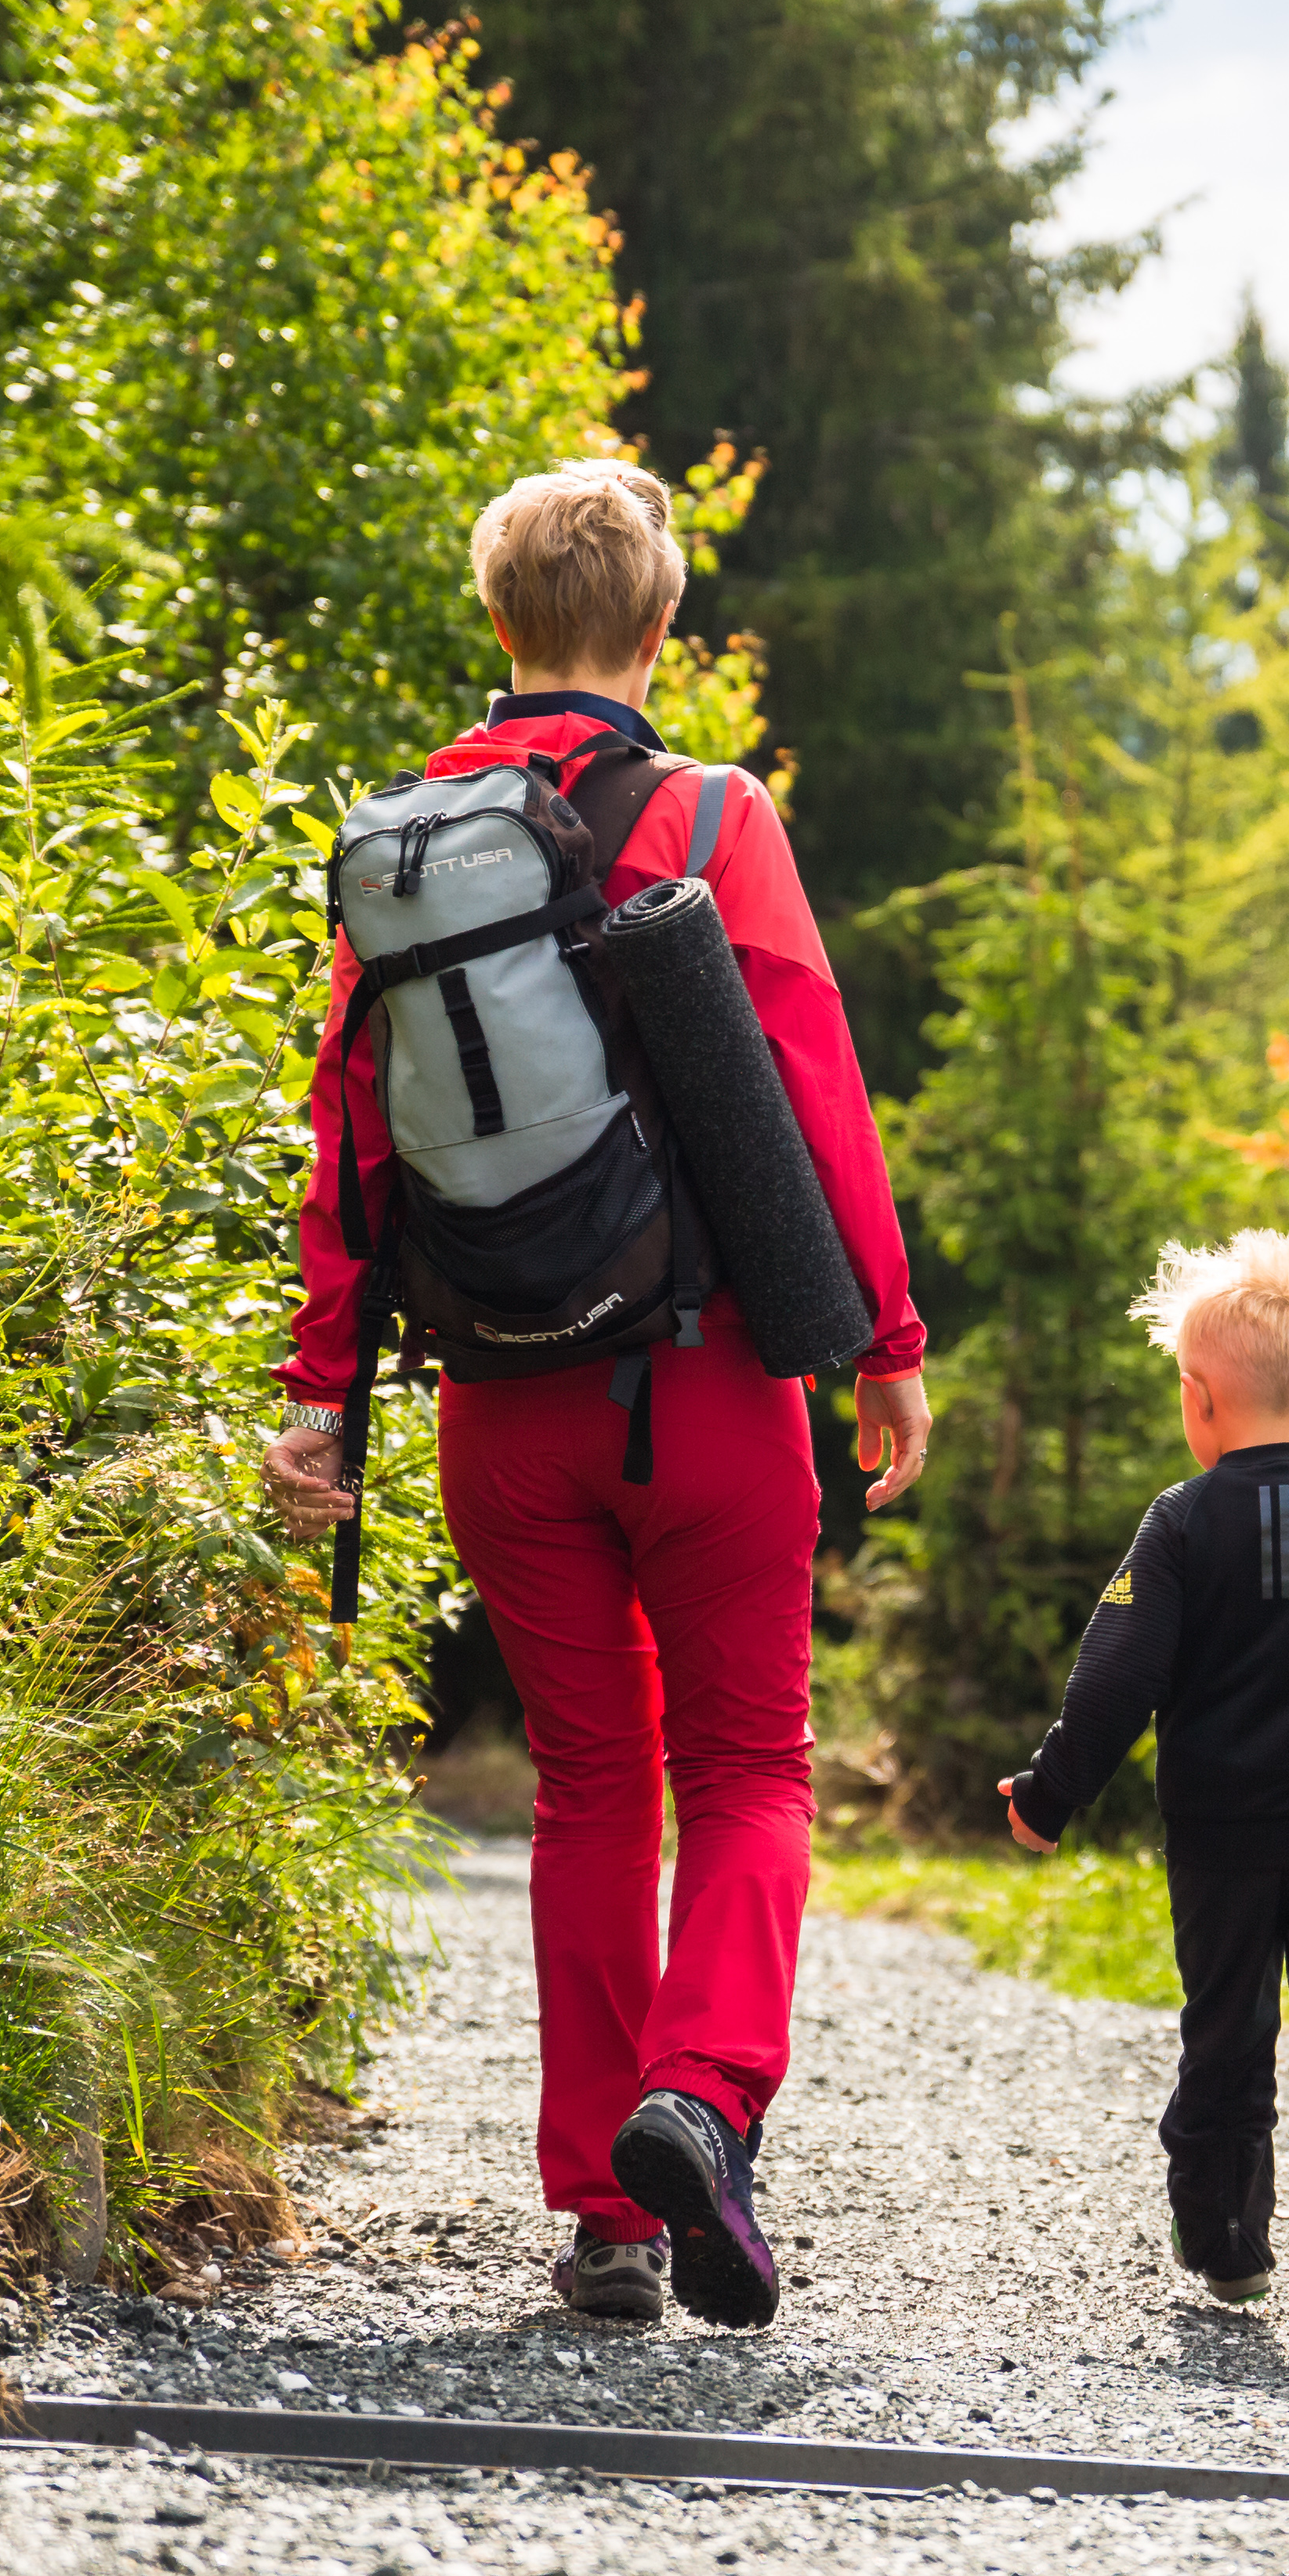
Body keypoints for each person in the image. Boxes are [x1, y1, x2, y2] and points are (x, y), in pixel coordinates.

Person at [259, 461, 933, 2333]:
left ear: (500, 627)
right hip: (707, 1386)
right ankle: (700, 2100)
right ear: (657, 628)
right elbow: (812, 1088)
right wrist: (882, 1345)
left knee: (584, 1784)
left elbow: (351, 1138)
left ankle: (604, 2221)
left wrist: (323, 1394)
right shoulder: (712, 815)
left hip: (498, 1401)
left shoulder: (409, 849)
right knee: (745, 1764)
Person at [995, 1232, 1289, 2350]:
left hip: (1223, 1831)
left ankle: (1228, 2241)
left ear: (1198, 1401)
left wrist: (1049, 1796)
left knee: (1227, 2030)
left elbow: (1119, 1676)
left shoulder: (1181, 1522)